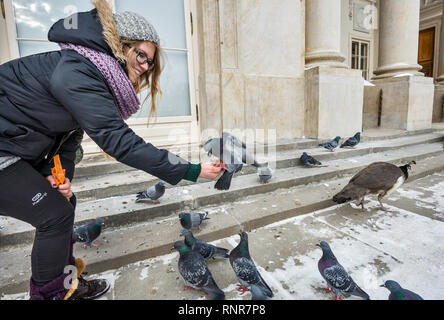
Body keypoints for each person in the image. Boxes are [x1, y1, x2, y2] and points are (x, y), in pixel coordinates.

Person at [0, 0, 223, 300]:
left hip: (12, 146)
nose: (145, 66)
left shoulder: (88, 71)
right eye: (141, 55)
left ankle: (66, 285)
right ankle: (52, 295)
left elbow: (67, 138)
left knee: (62, 204)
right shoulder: (79, 70)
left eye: (150, 62)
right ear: (120, 46)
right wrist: (191, 169)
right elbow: (119, 141)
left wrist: (57, 177)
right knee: (54, 215)